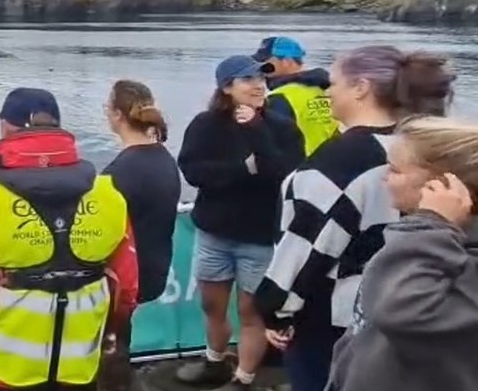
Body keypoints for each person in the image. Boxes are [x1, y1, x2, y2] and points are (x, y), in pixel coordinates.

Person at [255, 46, 454, 391]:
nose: (327, 92)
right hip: (408, 304)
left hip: (335, 322)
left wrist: (274, 310)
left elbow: (307, 246)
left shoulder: (339, 162)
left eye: (334, 83)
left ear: (361, 87)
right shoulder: (420, 145)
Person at [0, 88, 139, 391]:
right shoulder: (109, 197)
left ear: (6, 128)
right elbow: (126, 289)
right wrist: (111, 334)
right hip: (78, 370)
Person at [175, 56, 304, 391]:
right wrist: (243, 170)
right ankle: (214, 361)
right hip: (213, 232)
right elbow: (193, 171)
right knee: (211, 305)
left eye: (261, 78)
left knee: (251, 312)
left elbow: (287, 174)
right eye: (248, 79)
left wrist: (257, 130)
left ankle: (243, 379)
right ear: (226, 87)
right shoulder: (205, 125)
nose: (258, 85)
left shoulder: (281, 127)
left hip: (259, 237)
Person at [326, 116, 478, 391]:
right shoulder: (426, 242)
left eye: (395, 169)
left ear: (443, 184)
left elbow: (400, 312)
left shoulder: (438, 247)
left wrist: (430, 224)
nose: (384, 176)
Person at [98, 80, 181, 391]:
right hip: (152, 267)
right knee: (120, 337)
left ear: (117, 114)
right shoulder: (164, 159)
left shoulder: (118, 174)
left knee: (110, 343)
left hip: (122, 279)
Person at [253, 37, 338, 156]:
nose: (261, 68)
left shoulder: (280, 97)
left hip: (300, 164)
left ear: (287, 62)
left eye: (265, 62)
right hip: (331, 160)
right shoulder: (327, 90)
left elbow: (271, 143)